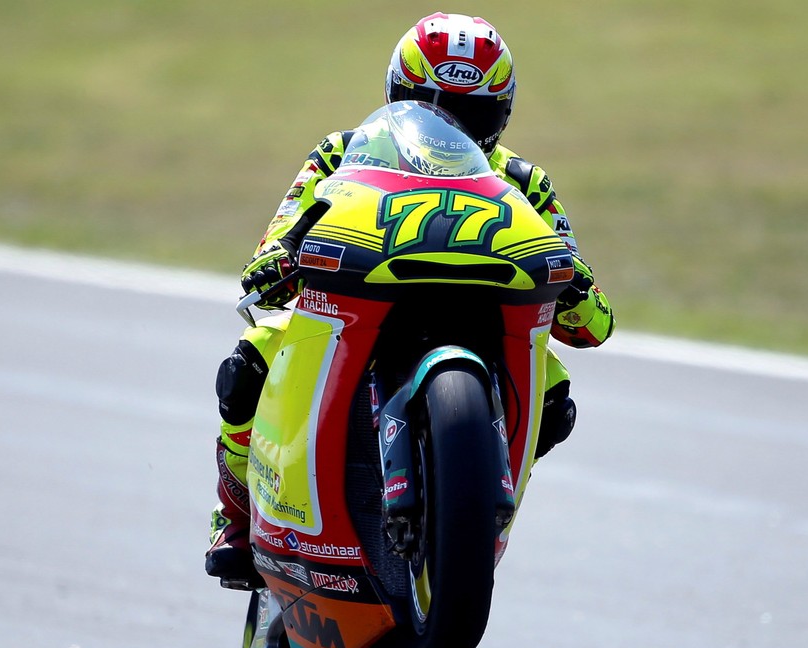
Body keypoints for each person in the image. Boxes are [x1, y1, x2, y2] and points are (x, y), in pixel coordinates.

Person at [205, 12, 615, 586]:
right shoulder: (342, 153)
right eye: (431, 109)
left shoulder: (526, 182)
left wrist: (574, 285)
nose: (451, 127)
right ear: (398, 98)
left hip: (484, 326)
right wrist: (277, 260)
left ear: (501, 113)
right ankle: (237, 516)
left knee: (556, 395)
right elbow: (277, 244)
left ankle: (467, 504)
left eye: (471, 114)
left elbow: (592, 323)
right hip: (359, 310)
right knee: (246, 366)